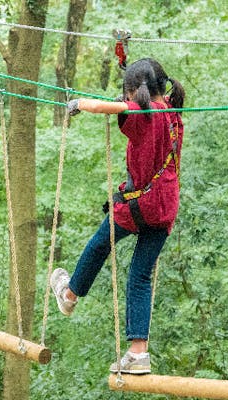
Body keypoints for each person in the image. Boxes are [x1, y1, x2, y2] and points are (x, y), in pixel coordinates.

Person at [50, 58, 185, 374]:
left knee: (100, 244)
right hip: (165, 205)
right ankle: (138, 354)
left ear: (134, 93)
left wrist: (80, 103)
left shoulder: (140, 117)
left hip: (140, 204)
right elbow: (133, 97)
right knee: (140, 274)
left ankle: (69, 295)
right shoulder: (172, 110)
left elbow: (112, 109)